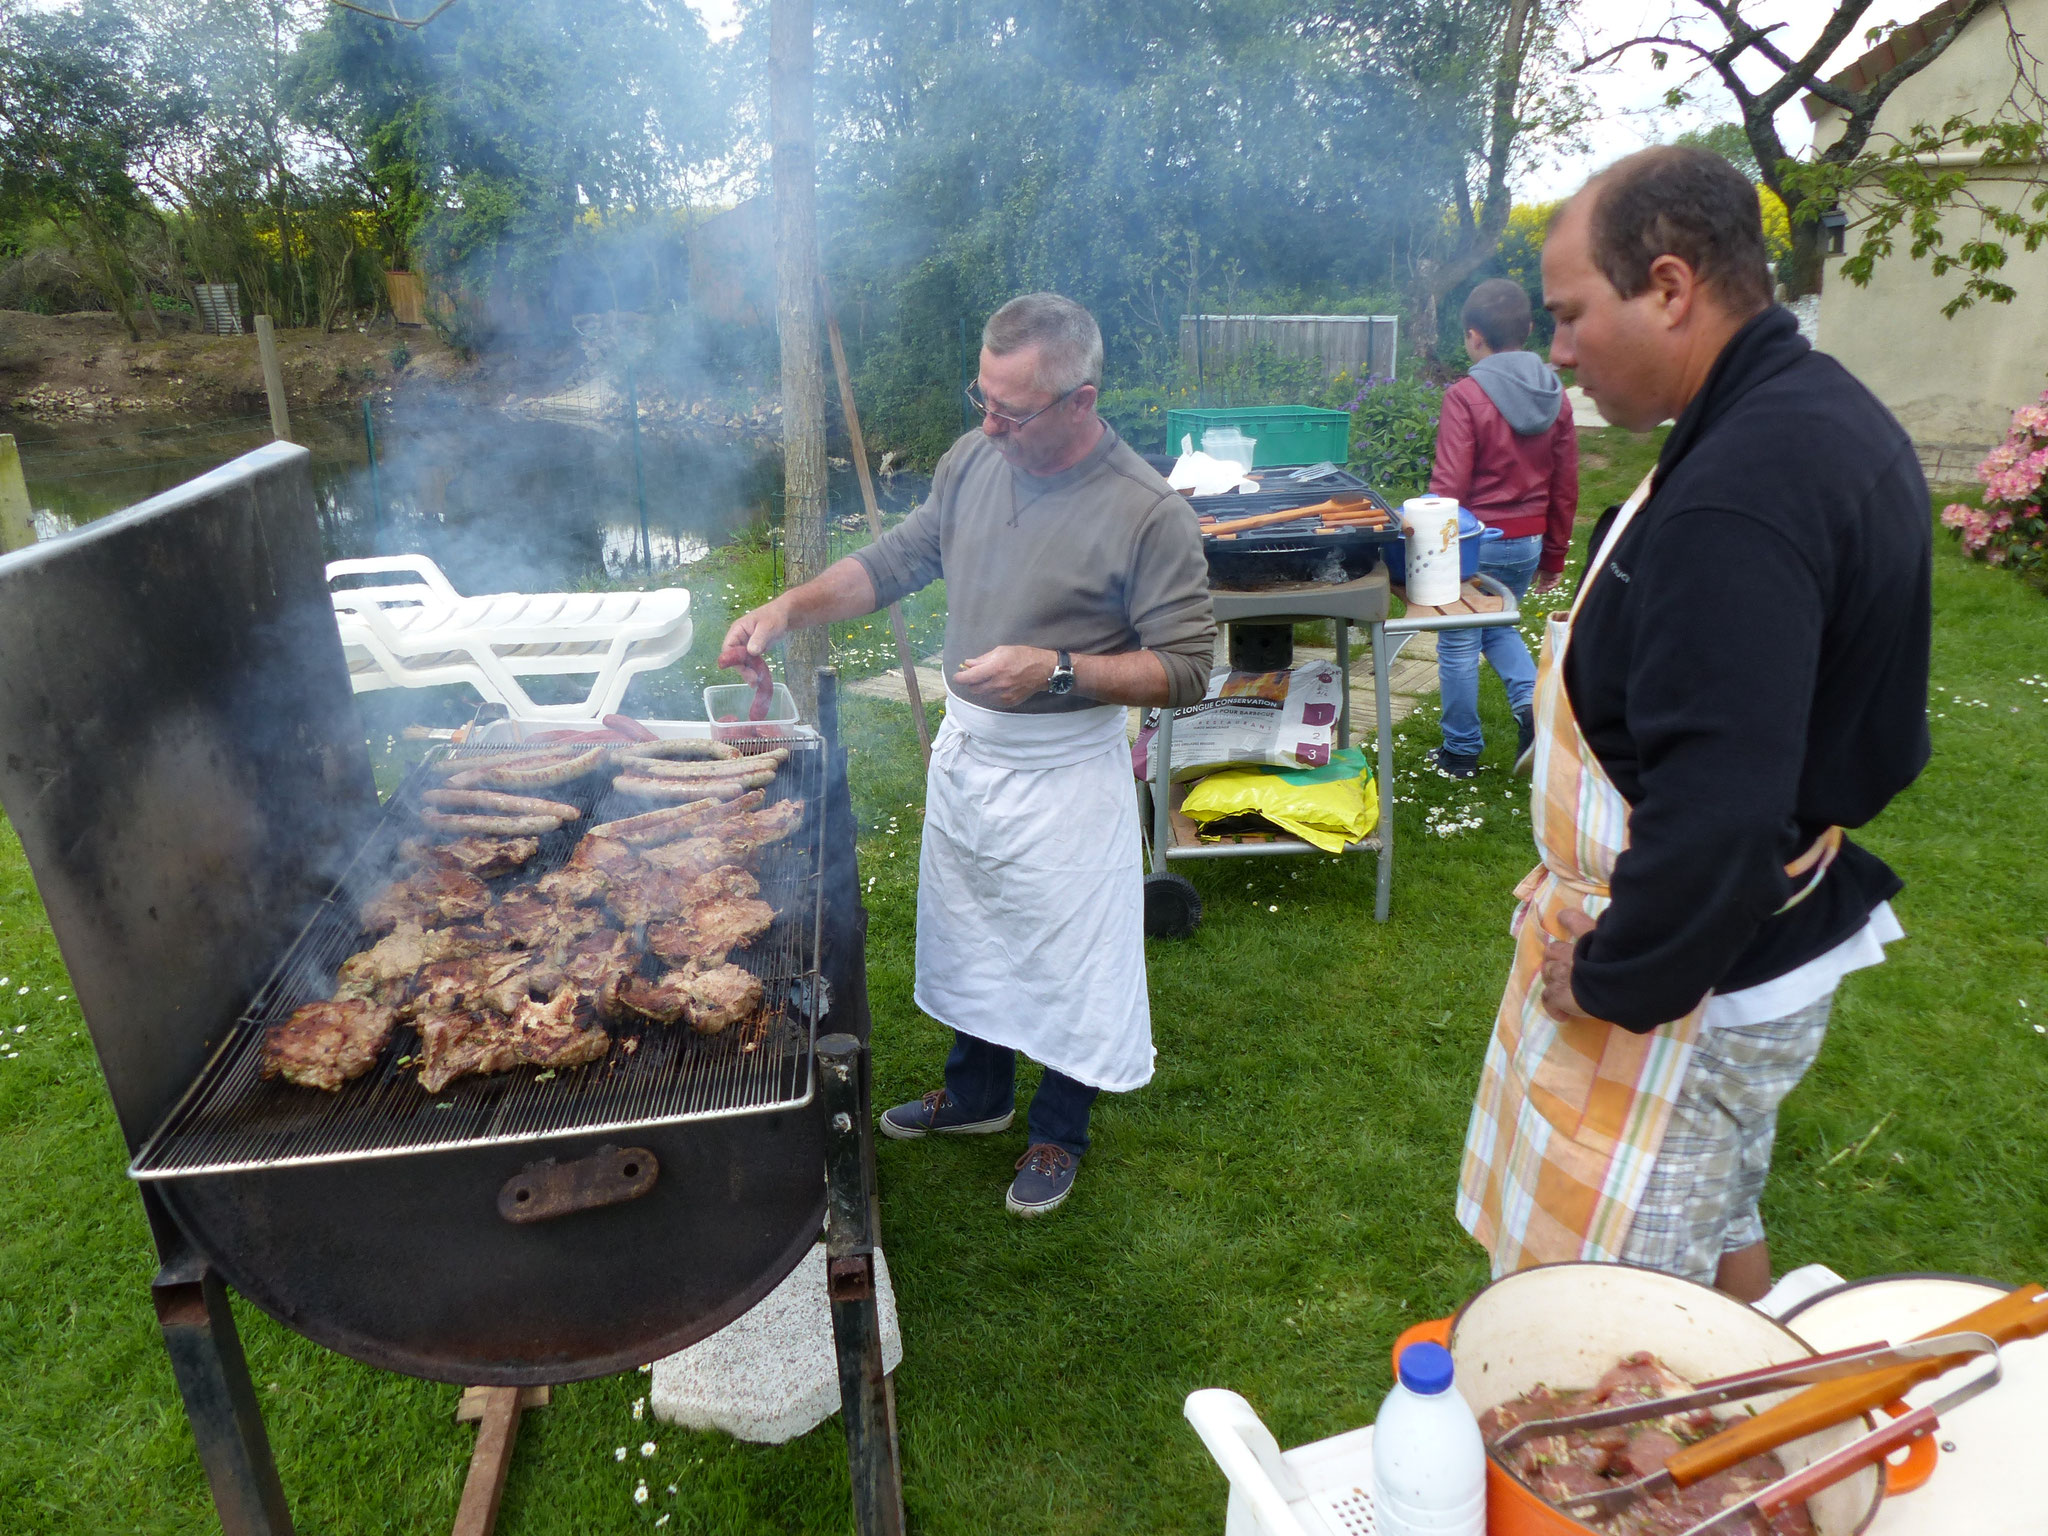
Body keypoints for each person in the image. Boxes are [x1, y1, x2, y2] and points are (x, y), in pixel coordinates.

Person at [1456, 146, 1931, 1299]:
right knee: (1720, 1215)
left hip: (1695, 982)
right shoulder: (1802, 408)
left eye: (1571, 316)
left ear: (1668, 287)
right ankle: (1761, 1405)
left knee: (1626, 1323)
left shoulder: (1740, 492)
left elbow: (1719, 812)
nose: (1558, 351)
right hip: (1766, 938)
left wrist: (1616, 975)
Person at [720, 293, 1215, 1217]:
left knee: (1067, 958)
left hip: (1067, 769)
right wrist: (789, 606)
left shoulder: (1146, 512)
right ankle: (979, 1094)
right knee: (974, 929)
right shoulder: (974, 458)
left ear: (1080, 400)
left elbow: (1189, 668)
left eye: (1012, 410)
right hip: (974, 754)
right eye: (981, 397)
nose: (989, 423)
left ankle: (1058, 1130)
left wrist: (1058, 670)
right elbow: (898, 561)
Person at [1426, 278, 1578, 779]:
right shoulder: (1557, 395)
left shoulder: (1466, 396)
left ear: (1474, 336)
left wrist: (1428, 549)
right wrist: (1554, 554)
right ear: (1530, 328)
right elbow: (1566, 483)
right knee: (1495, 627)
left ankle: (1461, 751)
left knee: (1459, 641)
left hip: (1474, 544)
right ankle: (1534, 715)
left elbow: (1448, 488)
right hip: (1527, 543)